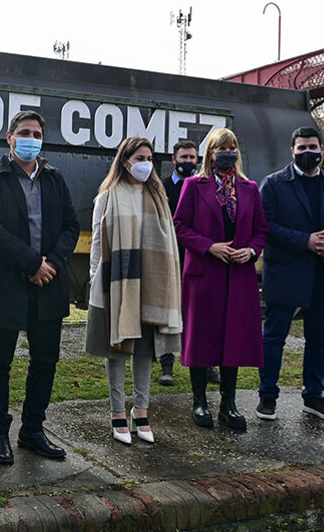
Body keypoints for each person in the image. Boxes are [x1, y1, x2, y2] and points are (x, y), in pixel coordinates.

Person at [0, 111, 79, 464]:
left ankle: (33, 429)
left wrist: (51, 263)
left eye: (36, 133)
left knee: (45, 361)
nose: (30, 138)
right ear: (9, 137)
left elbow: (70, 226)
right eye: (24, 132)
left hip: (48, 285)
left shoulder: (54, 179)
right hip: (6, 283)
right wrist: (31, 263)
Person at [86, 137, 182, 445]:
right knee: (116, 348)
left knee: (145, 350)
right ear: (125, 160)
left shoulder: (158, 196)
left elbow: (169, 243)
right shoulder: (108, 196)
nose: (146, 163)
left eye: (150, 157)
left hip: (151, 282)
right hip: (116, 281)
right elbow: (98, 243)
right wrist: (94, 277)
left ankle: (141, 411)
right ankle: (117, 414)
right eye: (140, 157)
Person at [173, 128, 268, 431]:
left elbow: (261, 230)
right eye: (221, 148)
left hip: (238, 274)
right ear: (210, 153)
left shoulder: (250, 188)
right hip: (204, 272)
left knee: (234, 337)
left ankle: (229, 403)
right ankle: (199, 400)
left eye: (232, 147)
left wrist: (252, 251)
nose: (227, 152)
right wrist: (208, 246)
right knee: (201, 336)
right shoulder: (193, 185)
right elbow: (179, 225)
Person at [256, 126, 324, 422]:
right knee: (273, 338)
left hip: (323, 274)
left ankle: (314, 397)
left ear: (322, 149)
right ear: (292, 150)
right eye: (302, 147)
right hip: (286, 271)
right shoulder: (273, 184)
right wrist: (306, 241)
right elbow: (265, 226)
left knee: (319, 341)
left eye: (313, 146)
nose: (308, 152)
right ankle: (267, 397)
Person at [160, 140, 219, 387]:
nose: (188, 162)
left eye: (193, 157)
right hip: (168, 258)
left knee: (200, 315)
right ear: (174, 160)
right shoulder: (161, 188)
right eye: (183, 157)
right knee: (167, 315)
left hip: (197, 258)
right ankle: (166, 366)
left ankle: (205, 365)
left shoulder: (205, 186)